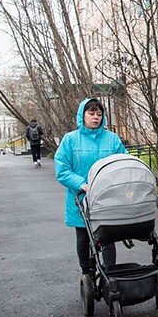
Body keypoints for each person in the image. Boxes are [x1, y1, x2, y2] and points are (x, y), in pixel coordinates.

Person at [55, 98, 127, 275]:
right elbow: (62, 169)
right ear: (82, 115)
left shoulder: (112, 139)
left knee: (108, 236)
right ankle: (86, 272)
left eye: (99, 114)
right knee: (83, 236)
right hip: (81, 197)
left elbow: (124, 161)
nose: (96, 117)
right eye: (91, 113)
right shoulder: (71, 140)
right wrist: (82, 184)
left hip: (107, 196)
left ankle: (110, 274)